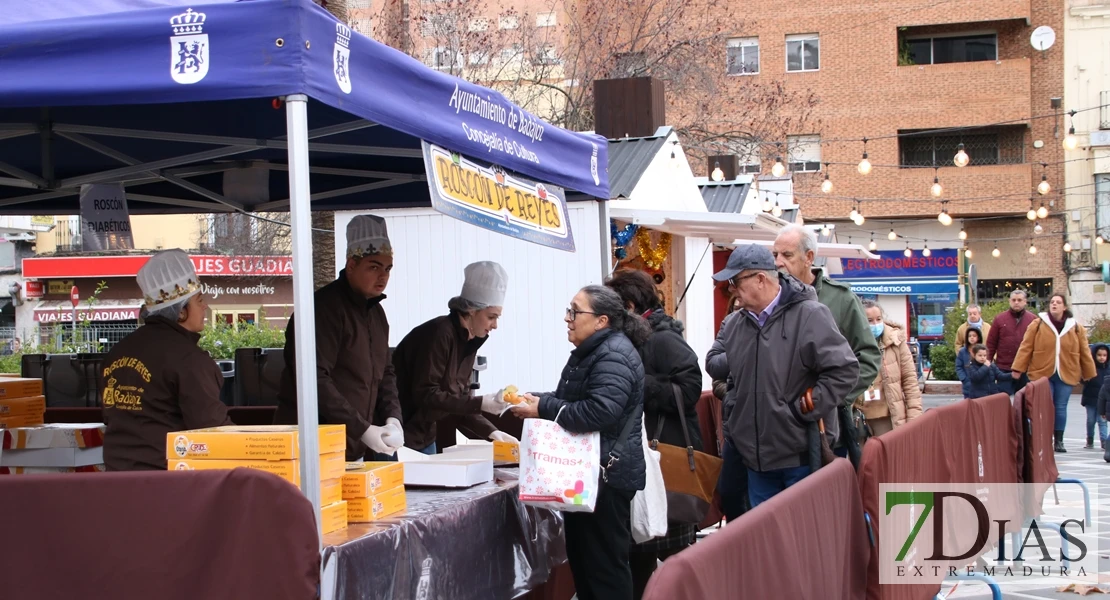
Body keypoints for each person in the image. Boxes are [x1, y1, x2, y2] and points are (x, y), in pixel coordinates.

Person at [510, 285, 648, 600]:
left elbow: (600, 411)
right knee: (587, 567)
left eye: (574, 311)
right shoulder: (597, 351)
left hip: (605, 478)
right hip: (589, 476)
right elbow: (578, 400)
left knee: (604, 571)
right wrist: (539, 400)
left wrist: (543, 408)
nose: (567, 318)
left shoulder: (612, 353)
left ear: (601, 321)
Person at [708, 244, 858, 508]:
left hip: (798, 456)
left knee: (801, 539)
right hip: (754, 459)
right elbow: (728, 375)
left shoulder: (810, 315)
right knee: (767, 542)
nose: (731, 289)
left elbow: (844, 370)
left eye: (734, 281)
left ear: (760, 279)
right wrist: (735, 409)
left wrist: (806, 406)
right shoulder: (734, 325)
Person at [604, 269, 703, 599]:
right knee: (642, 552)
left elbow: (690, 387)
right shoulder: (643, 335)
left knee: (662, 553)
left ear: (630, 306)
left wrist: (636, 382)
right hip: (648, 455)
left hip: (666, 455)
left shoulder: (661, 337)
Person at [274, 215, 404, 461]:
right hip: (314, 448)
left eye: (387, 269)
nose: (383, 277)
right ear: (352, 265)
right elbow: (314, 380)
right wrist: (363, 429)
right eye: (374, 267)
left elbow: (385, 372)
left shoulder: (376, 313)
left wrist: (393, 417)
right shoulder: (322, 310)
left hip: (354, 446)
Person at [101, 249, 231, 471]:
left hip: (116, 481)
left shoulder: (118, 352)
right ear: (181, 312)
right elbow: (213, 430)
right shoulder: (189, 359)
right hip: (166, 484)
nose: (205, 307)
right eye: (199, 300)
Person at [772, 225, 881, 461]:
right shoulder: (770, 301)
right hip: (780, 434)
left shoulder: (840, 299)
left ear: (809, 257)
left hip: (829, 432)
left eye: (787, 255)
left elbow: (869, 357)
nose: (778, 262)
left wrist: (833, 398)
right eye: (775, 255)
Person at [393, 261, 516, 455]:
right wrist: (481, 403)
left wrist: (492, 432)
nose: (495, 325)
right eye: (492, 317)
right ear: (472, 311)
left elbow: (457, 401)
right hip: (396, 437)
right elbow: (426, 394)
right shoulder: (439, 334)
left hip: (425, 436)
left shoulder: (469, 340)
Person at [1011, 293, 1097, 453]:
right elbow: (1026, 347)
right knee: (1045, 406)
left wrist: (1089, 372)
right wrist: (1018, 368)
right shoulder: (1037, 324)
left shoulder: (1075, 327)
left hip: (1066, 371)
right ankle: (1043, 438)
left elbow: (1084, 351)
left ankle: (1059, 440)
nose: (1054, 304)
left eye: (1058, 302)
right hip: (1042, 371)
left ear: (1064, 307)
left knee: (1061, 406)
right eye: (1052, 302)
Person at [858, 300, 922, 435]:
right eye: (869, 320)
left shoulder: (896, 342)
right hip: (859, 417)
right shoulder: (851, 343)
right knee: (862, 456)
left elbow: (910, 382)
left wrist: (914, 417)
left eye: (878, 319)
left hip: (888, 417)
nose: (875, 324)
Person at [987, 289, 1037, 396]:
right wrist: (987, 362)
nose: (1016, 302)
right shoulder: (1000, 319)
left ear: (1025, 301)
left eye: (1019, 300)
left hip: (1026, 370)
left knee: (1025, 404)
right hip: (1004, 369)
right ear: (1009, 301)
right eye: (1014, 300)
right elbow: (991, 343)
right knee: (1003, 403)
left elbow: (1038, 346)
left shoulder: (1033, 320)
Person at [1082, 344, 1109, 449]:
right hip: (1091, 399)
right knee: (1090, 420)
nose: (1102, 357)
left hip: (1103, 400)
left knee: (1102, 421)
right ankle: (1090, 439)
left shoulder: (1108, 369)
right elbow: (1083, 379)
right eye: (1099, 355)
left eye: (1104, 355)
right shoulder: (1090, 367)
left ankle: (1104, 442)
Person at [955, 328, 985, 399]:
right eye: (969, 336)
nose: (972, 337)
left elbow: (987, 365)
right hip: (968, 386)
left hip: (981, 386)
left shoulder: (983, 350)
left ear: (978, 337)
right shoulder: (962, 351)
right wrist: (964, 379)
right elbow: (958, 367)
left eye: (974, 336)